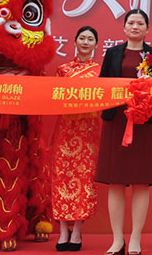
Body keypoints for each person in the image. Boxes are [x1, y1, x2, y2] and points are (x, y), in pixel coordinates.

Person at [95, 9, 152, 255]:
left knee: (140, 181)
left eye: (140, 23)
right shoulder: (113, 53)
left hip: (143, 122)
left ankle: (135, 239)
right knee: (115, 181)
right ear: (124, 27)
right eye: (131, 23)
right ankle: (117, 240)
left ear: (147, 29)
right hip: (116, 121)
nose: (135, 27)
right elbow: (103, 83)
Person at [50, 26, 102, 252]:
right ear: (75, 41)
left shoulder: (101, 71)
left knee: (84, 177)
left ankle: (78, 229)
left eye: (90, 39)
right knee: (62, 175)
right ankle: (63, 229)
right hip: (65, 128)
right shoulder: (63, 70)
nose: (86, 42)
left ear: (96, 44)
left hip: (88, 130)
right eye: (82, 38)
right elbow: (52, 97)